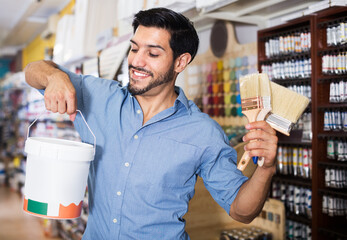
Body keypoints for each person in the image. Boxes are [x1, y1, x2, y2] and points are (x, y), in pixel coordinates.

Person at [24, 7, 277, 240]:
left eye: (153, 53)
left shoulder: (203, 133)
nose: (137, 61)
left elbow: (241, 211)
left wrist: (266, 168)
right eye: (134, 49)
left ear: (181, 62)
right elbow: (33, 70)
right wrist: (55, 76)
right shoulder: (99, 97)